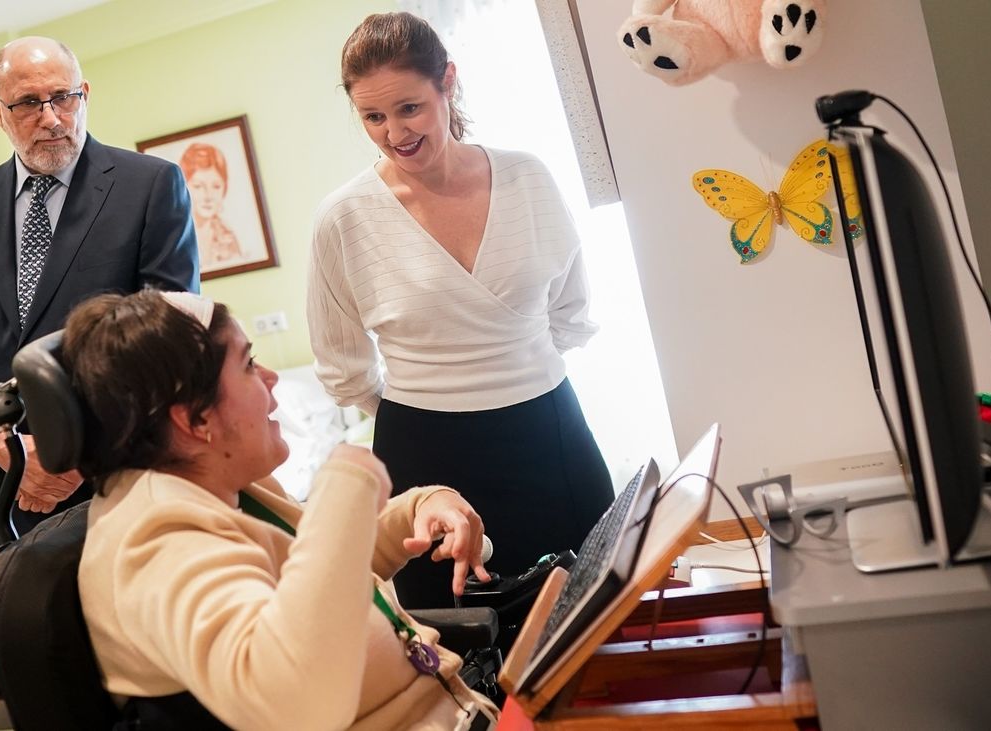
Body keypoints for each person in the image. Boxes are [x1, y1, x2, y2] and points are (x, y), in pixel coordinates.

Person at [67, 289, 500, 730]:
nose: (271, 377)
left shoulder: (229, 486)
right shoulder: (157, 538)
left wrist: (416, 509)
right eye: (249, 364)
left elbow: (319, 579)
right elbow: (294, 700)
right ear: (195, 420)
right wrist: (347, 485)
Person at [308, 12, 615, 610]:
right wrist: (428, 405)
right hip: (425, 450)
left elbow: (571, 312)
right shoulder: (343, 219)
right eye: (373, 117)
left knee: (593, 607)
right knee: (461, 636)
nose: (394, 132)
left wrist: (517, 368)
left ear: (447, 83)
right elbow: (343, 365)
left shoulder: (528, 177)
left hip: (547, 428)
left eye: (409, 108)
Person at [0, 36, 199, 542]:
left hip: (127, 475)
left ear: (85, 94)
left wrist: (74, 452)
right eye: (29, 103)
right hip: (18, 491)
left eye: (64, 97)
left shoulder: (150, 186)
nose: (52, 117)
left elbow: (168, 339)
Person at [180, 142, 243, 269]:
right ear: (183, 188)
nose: (208, 196)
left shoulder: (229, 240)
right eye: (198, 186)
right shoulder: (172, 239)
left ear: (224, 188)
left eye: (216, 187)